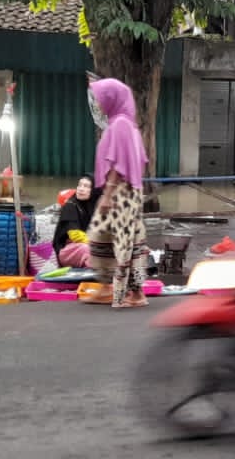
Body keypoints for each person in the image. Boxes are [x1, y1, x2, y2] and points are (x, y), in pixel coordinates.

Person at [84, 78, 153, 309]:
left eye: (101, 98)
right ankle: (109, 288)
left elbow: (118, 163)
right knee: (104, 239)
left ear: (112, 98)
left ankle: (128, 292)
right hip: (127, 193)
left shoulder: (121, 124)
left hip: (120, 194)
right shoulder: (124, 123)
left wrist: (107, 195)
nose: (98, 103)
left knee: (123, 244)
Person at [52, 175, 96, 268]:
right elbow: (75, 235)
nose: (81, 189)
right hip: (67, 250)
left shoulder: (93, 207)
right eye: (79, 185)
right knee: (88, 249)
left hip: (85, 244)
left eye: (86, 186)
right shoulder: (70, 206)